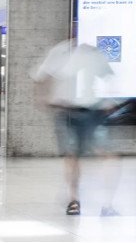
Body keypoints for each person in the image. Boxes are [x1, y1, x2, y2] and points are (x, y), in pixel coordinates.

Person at [35, 38, 117, 216]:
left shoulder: (94, 53)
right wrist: (44, 97)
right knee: (72, 156)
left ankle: (107, 204)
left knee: (107, 156)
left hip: (93, 110)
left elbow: (108, 77)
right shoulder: (60, 51)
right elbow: (42, 76)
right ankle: (74, 200)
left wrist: (109, 100)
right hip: (67, 111)